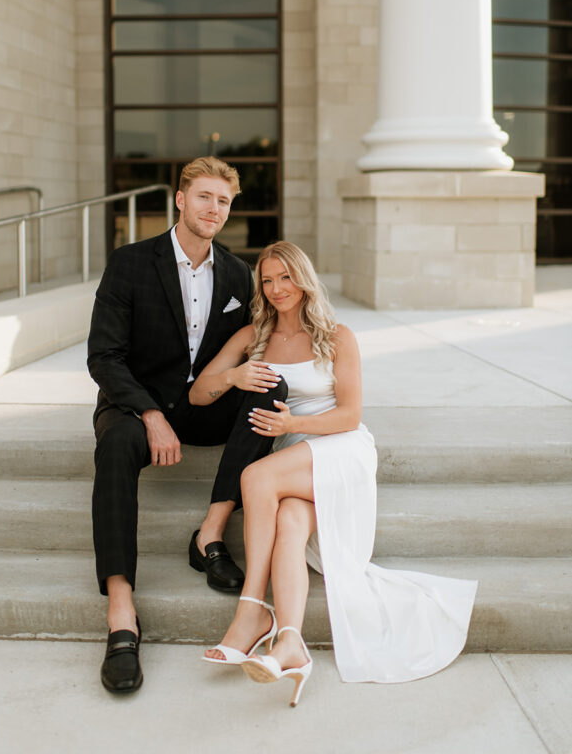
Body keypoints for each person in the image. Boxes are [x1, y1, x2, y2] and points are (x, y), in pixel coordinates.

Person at [190, 241, 477, 706]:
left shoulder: (337, 335)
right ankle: (288, 643)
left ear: (303, 279)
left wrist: (293, 425)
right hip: (291, 455)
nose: (277, 288)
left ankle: (250, 611)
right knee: (288, 522)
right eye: (267, 280)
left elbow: (349, 414)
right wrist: (235, 377)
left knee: (257, 479)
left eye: (286, 277)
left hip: (338, 448)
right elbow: (199, 395)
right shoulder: (253, 337)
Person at [88, 157, 280, 695]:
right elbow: (103, 357)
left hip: (203, 403)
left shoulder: (240, 274)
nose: (213, 209)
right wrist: (151, 413)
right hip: (136, 405)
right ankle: (121, 611)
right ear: (180, 199)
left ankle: (210, 535)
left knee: (269, 387)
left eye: (223, 201)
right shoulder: (129, 263)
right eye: (204, 197)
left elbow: (256, 343)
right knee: (117, 444)